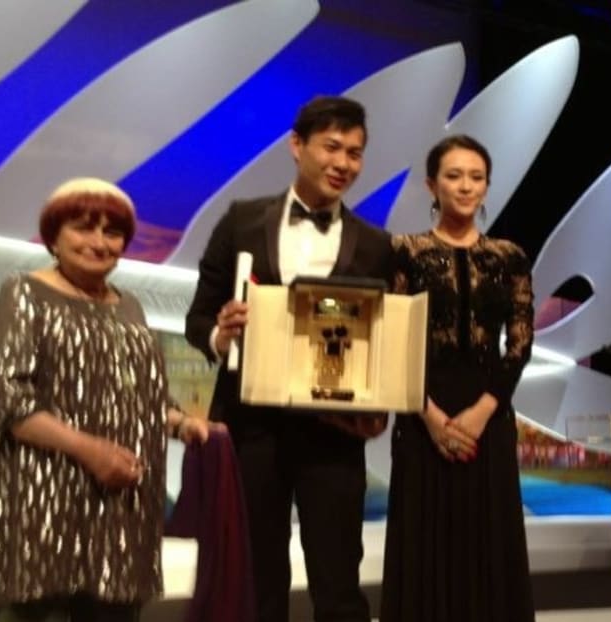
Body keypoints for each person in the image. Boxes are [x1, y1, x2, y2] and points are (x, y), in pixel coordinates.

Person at [185, 95, 394, 622]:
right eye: (332, 147)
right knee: (256, 575)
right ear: (296, 145)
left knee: (339, 575)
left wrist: (382, 399)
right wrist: (223, 336)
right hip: (251, 425)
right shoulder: (241, 222)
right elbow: (198, 320)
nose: (343, 163)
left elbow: (385, 339)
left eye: (355, 152)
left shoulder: (376, 244)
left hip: (335, 431)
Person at [0, 177, 212, 622]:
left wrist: (181, 423)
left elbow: (141, 395)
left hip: (119, 513)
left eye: (112, 232)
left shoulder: (130, 306)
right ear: (54, 235)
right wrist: (91, 451)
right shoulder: (23, 294)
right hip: (41, 514)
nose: (99, 242)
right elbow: (6, 401)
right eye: (84, 227)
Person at [379, 134, 535, 622]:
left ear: (487, 186)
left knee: (488, 535)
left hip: (489, 412)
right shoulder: (403, 251)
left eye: (476, 177)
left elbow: (520, 341)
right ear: (432, 185)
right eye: (453, 176)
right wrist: (429, 416)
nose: (465, 187)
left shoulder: (509, 256)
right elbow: (390, 338)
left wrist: (484, 409)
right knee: (425, 537)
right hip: (422, 409)